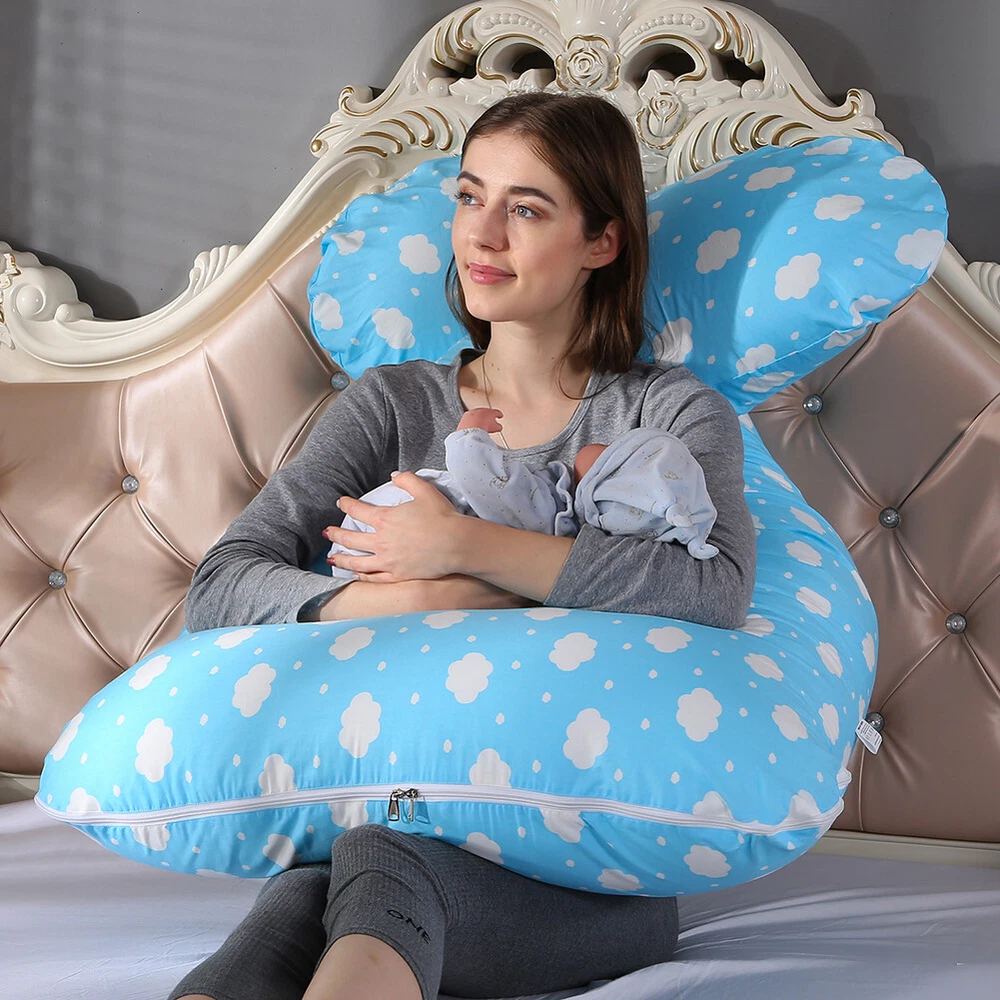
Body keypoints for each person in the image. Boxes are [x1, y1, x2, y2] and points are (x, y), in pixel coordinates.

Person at [171, 89, 756, 1000]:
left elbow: (713, 588)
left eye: (526, 209)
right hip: (388, 826)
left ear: (602, 242)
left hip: (591, 875)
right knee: (311, 890)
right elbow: (218, 588)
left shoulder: (664, 413)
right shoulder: (392, 405)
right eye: (470, 196)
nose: (482, 234)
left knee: (374, 862)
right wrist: (410, 599)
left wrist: (463, 546)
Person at [324, 412, 722, 572]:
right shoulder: (554, 525)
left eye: (613, 455)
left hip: (377, 531)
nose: (606, 443)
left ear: (601, 488)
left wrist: (468, 434)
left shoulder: (545, 510)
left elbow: (482, 475)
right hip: (374, 547)